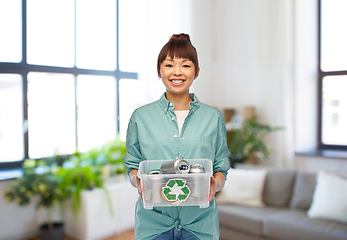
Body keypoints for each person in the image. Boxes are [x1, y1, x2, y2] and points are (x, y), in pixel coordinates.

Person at [123, 33, 230, 240]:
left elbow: (220, 169)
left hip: (200, 226)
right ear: (159, 70)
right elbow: (133, 165)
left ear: (196, 71)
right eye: (169, 65)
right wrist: (138, 180)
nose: (177, 72)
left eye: (186, 65)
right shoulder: (140, 117)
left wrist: (214, 185)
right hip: (153, 224)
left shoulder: (213, 117)